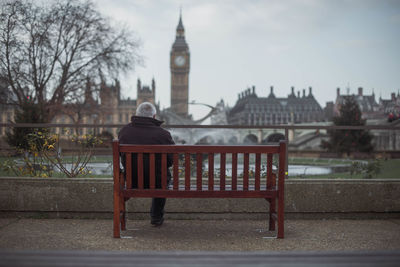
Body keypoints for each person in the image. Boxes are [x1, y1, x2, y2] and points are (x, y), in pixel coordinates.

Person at [118, 102, 174, 226]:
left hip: (132, 182)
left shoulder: (124, 132)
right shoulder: (164, 134)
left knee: (160, 175)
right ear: (154, 116)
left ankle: (120, 221)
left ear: (136, 114)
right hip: (158, 183)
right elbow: (170, 161)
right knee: (163, 177)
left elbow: (120, 158)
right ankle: (156, 217)